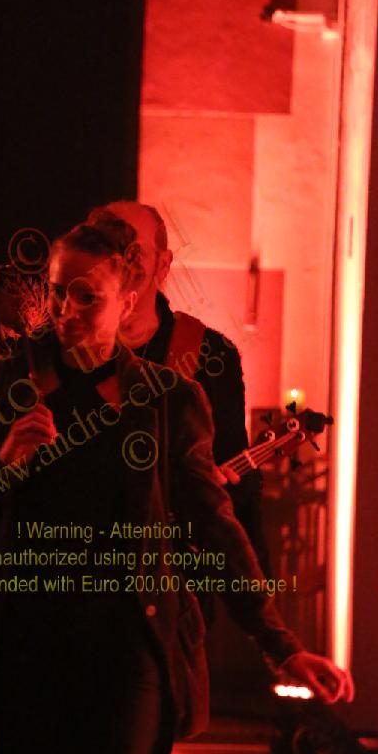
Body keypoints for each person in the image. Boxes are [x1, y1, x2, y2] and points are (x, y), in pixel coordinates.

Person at [0, 215, 353, 754]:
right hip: (31, 644)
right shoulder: (5, 388)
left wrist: (281, 646)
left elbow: (216, 523)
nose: (67, 311)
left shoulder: (167, 400)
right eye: (58, 293)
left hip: (129, 643)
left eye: (88, 297)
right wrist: (4, 464)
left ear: (127, 301)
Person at [87, 200, 271, 574]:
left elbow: (234, 470)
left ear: (163, 264)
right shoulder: (57, 351)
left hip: (173, 581)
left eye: (134, 250)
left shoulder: (208, 354)